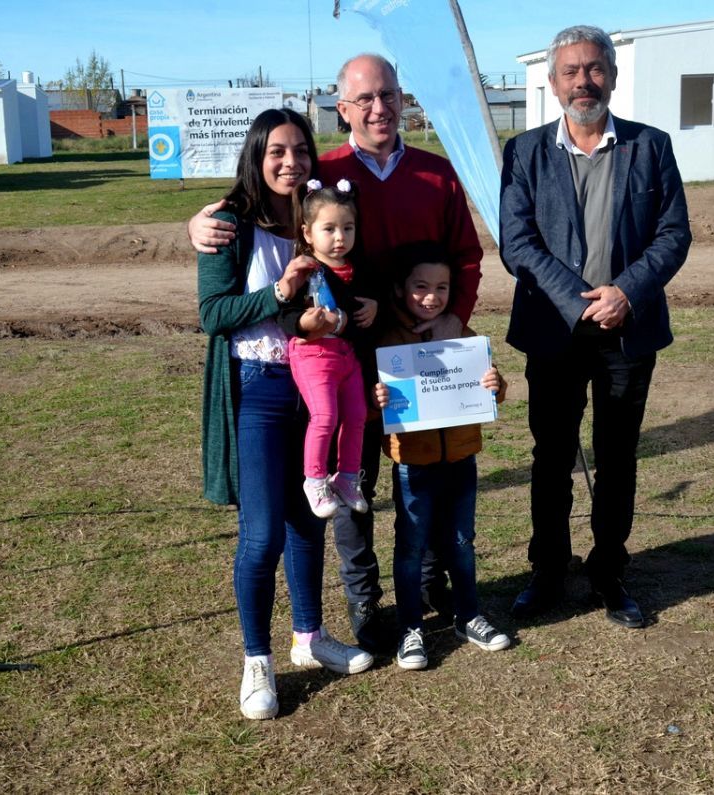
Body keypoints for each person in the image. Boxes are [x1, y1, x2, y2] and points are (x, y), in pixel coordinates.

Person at [191, 54, 483, 654]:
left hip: (419, 354)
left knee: (423, 474)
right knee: (352, 484)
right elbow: (256, 211)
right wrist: (198, 225)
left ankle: (429, 588)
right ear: (341, 108)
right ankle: (364, 605)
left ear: (404, 100)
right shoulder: (322, 176)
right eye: (365, 98)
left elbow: (467, 258)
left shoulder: (436, 173)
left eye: (390, 95)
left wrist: (455, 319)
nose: (380, 108)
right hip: (338, 358)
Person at [499, 25, 691, 628]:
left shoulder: (651, 146)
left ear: (612, 73)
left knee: (618, 457)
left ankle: (609, 573)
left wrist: (626, 291)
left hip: (627, 330)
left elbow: (673, 233)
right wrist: (576, 300)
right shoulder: (525, 152)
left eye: (595, 69)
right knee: (551, 456)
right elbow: (518, 243)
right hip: (555, 333)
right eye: (571, 71)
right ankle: (547, 572)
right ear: (553, 83)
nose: (585, 81)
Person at [197, 108, 372, 721]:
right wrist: (278, 293)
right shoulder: (224, 223)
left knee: (310, 518)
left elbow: (337, 286)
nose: (290, 161)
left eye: (300, 150)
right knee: (264, 532)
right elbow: (213, 314)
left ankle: (308, 636)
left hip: (312, 381)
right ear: (256, 154)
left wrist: (354, 306)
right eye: (277, 150)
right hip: (259, 385)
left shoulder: (310, 219)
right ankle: (256, 661)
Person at [372, 243, 510, 670]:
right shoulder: (388, 341)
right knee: (411, 546)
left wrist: (495, 384)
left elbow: (491, 390)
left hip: (462, 458)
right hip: (413, 463)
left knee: (462, 542)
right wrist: (376, 398)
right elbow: (375, 405)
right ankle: (411, 627)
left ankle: (468, 615)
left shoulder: (463, 335)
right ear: (400, 289)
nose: (431, 297)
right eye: (421, 287)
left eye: (442, 287)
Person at [281, 178, 378, 518]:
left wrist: (376, 307)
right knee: (325, 416)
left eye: (348, 228)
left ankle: (348, 478)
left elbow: (367, 307)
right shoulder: (305, 269)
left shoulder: (360, 268)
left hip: (348, 358)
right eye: (330, 229)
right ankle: (315, 479)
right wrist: (304, 322)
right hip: (313, 356)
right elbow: (286, 315)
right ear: (307, 233)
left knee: (357, 416)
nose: (340, 237)